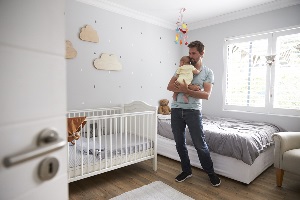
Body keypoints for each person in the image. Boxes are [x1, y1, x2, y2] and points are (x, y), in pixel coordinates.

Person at [167, 40, 221, 187]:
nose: (190, 56)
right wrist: (190, 88)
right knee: (179, 143)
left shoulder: (208, 72)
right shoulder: (182, 67)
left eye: (194, 53)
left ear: (202, 53)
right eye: (189, 53)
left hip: (193, 111)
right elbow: (170, 86)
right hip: (177, 110)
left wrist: (186, 90)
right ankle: (186, 170)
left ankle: (210, 172)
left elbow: (206, 95)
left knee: (200, 144)